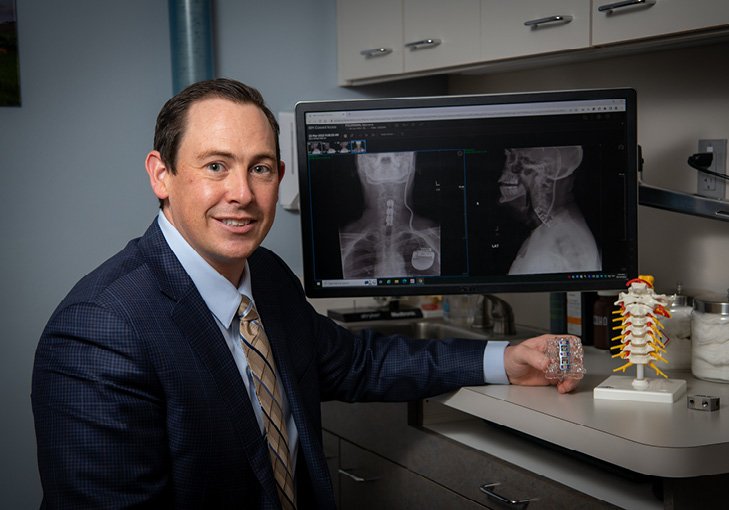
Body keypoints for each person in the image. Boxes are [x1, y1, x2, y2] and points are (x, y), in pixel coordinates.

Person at [32, 78, 580, 510]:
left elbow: (357, 363)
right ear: (162, 174)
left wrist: (506, 359)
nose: (242, 194)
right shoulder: (99, 332)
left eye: (260, 169)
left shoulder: (264, 277)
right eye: (216, 166)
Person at [498, 145, 601, 275]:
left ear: (547, 176)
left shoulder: (559, 245)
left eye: (524, 161)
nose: (511, 170)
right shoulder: (552, 229)